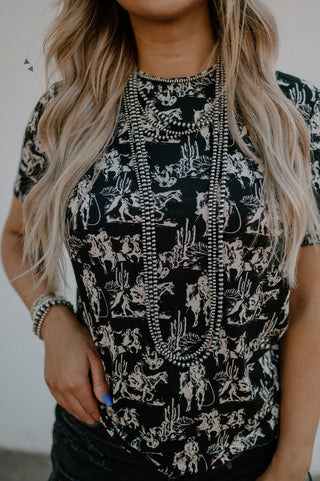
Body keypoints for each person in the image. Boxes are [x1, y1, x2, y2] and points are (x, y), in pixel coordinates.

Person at [1, 0, 319, 480]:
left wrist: (293, 464)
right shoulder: (66, 112)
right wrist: (52, 318)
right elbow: (16, 235)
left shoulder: (291, 111)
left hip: (250, 457)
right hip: (97, 452)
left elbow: (311, 299)